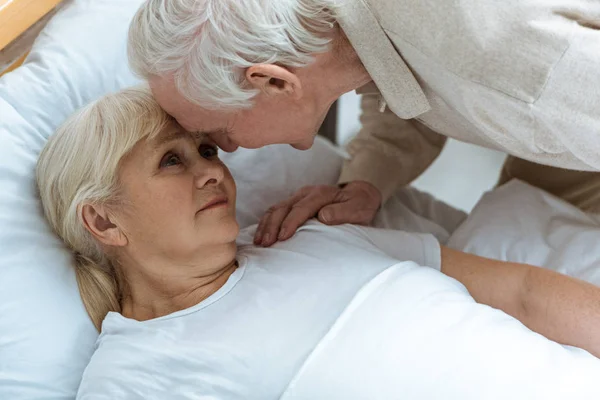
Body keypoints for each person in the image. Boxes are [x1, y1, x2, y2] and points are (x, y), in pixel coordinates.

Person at [37, 88, 600, 399]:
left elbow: (524, 291)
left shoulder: (311, 236)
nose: (211, 172)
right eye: (171, 160)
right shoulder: (137, 375)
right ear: (105, 223)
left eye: (207, 152)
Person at [127, 0, 600, 248]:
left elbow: (467, 76)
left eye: (217, 136)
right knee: (528, 233)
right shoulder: (340, 28)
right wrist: (366, 183)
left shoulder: (518, 79)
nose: (226, 153)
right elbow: (407, 88)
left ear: (273, 83)